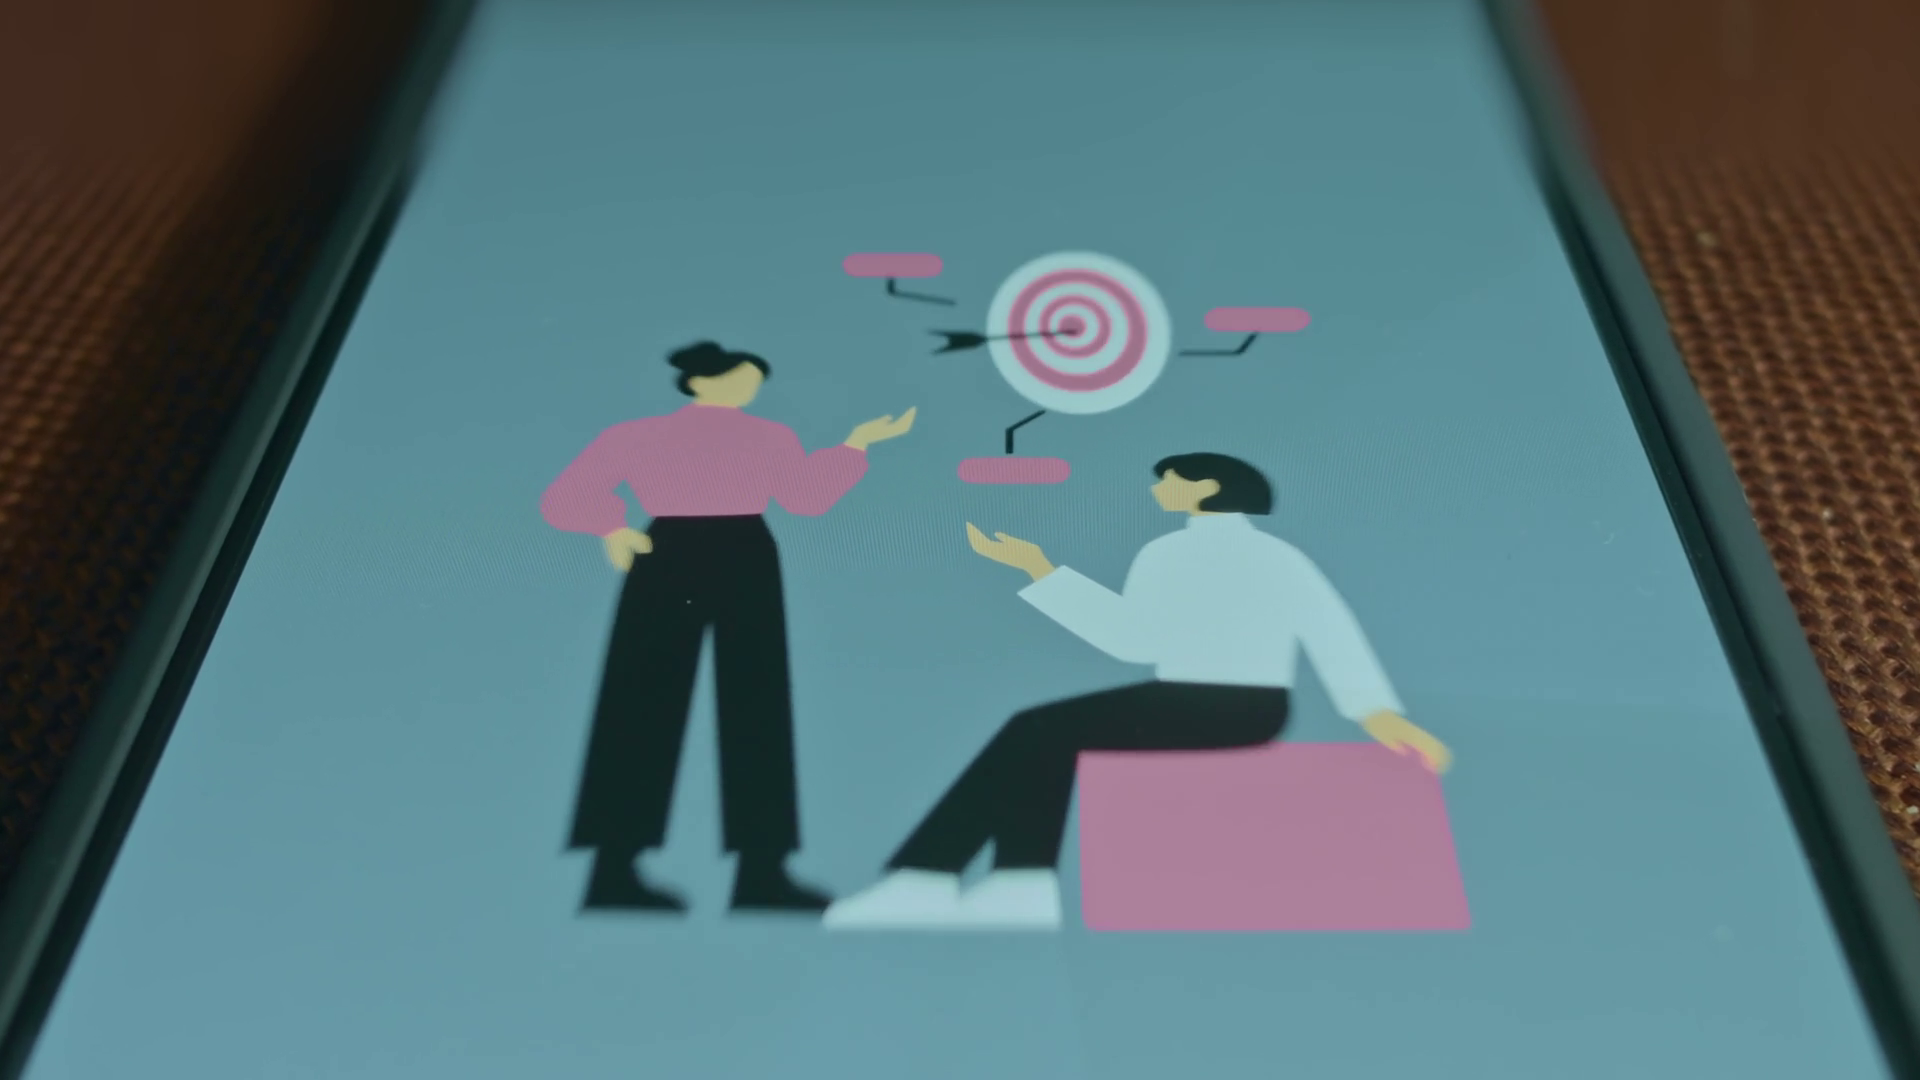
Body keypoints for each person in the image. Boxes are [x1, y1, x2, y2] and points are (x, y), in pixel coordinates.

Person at [824, 452, 1450, 930]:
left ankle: (942, 880)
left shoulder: (1191, 553)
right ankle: (1013, 885)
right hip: (1241, 708)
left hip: (1216, 707)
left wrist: (1381, 719)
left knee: (1037, 729)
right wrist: (1037, 568)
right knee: (1044, 733)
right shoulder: (1249, 555)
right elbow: (1323, 634)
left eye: (1168, 479)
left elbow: (1139, 640)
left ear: (1204, 488)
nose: (1157, 488)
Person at [541, 341, 916, 913]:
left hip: (742, 552)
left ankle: (759, 871)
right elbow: (567, 496)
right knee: (645, 702)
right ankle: (616, 870)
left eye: (753, 381)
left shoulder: (768, 437)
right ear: (700, 382)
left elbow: (806, 498)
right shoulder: (639, 435)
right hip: (668, 553)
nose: (749, 388)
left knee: (753, 702)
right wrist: (611, 527)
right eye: (739, 378)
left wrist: (856, 445)